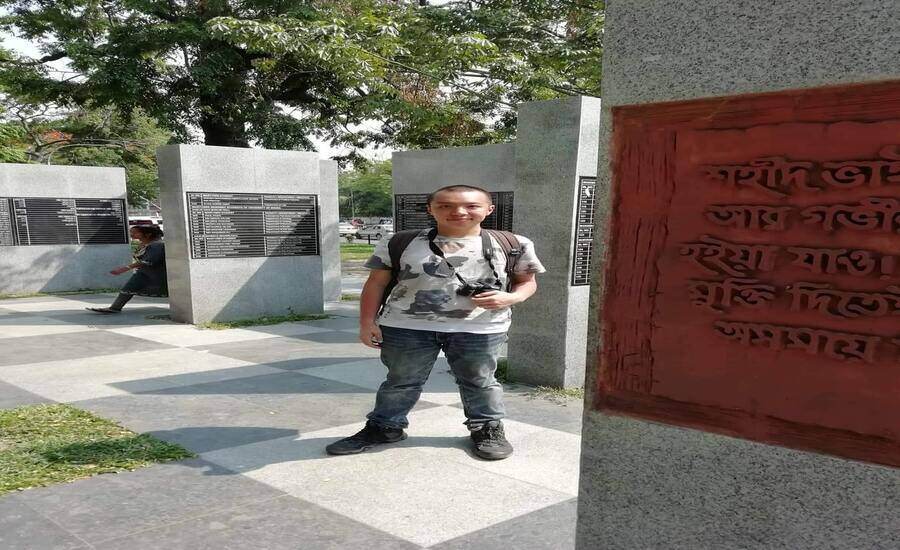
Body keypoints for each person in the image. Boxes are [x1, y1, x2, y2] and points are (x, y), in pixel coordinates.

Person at [326, 185, 545, 460]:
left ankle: (487, 428)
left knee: (480, 381)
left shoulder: (514, 243)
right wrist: (366, 322)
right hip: (406, 326)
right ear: (430, 209)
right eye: (446, 206)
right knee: (400, 381)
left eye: (471, 206)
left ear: (489, 209)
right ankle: (385, 426)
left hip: (480, 327)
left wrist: (509, 298)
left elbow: (528, 283)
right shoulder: (399, 242)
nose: (459, 212)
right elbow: (376, 283)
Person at [87, 225, 167, 314]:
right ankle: (115, 308)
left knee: (166, 291)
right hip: (144, 273)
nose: (131, 235)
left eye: (135, 232)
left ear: (148, 234)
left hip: (156, 274)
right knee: (128, 288)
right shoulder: (145, 244)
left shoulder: (157, 245)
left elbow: (147, 261)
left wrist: (124, 269)